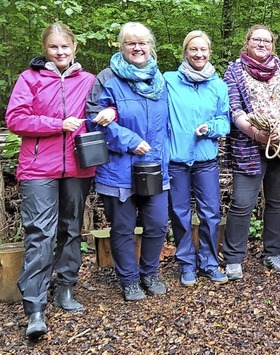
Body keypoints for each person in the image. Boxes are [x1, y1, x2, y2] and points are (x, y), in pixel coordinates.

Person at [6, 23, 96, 339]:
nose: (60, 52)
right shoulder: (30, 79)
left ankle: (66, 288)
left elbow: (106, 105)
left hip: (77, 167)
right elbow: (15, 119)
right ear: (46, 49)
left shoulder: (88, 80)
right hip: (37, 169)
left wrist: (109, 111)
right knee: (40, 233)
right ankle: (35, 306)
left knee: (71, 228)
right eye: (53, 47)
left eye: (65, 47)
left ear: (74, 48)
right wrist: (56, 124)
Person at [86, 22, 170, 301]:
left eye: (143, 43)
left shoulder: (160, 80)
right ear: (121, 46)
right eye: (130, 43)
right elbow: (93, 121)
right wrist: (130, 141)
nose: (137, 48)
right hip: (118, 169)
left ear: (151, 47)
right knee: (122, 228)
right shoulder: (107, 78)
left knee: (157, 224)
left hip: (155, 166)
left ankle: (149, 273)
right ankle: (129, 280)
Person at [222, 24, 280, 280]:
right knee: (242, 203)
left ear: (273, 45)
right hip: (247, 146)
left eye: (267, 41)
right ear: (247, 42)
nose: (262, 44)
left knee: (277, 201)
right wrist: (257, 134)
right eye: (257, 40)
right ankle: (234, 258)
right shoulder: (234, 71)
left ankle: (273, 253)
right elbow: (233, 108)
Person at [164, 30, 230, 286]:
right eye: (193, 49)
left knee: (211, 214)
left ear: (209, 52)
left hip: (205, 160)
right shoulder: (169, 81)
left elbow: (224, 121)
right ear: (185, 52)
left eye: (203, 50)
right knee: (179, 214)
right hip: (176, 160)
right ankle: (187, 265)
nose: (199, 54)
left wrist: (210, 128)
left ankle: (209, 264)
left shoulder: (218, 85)